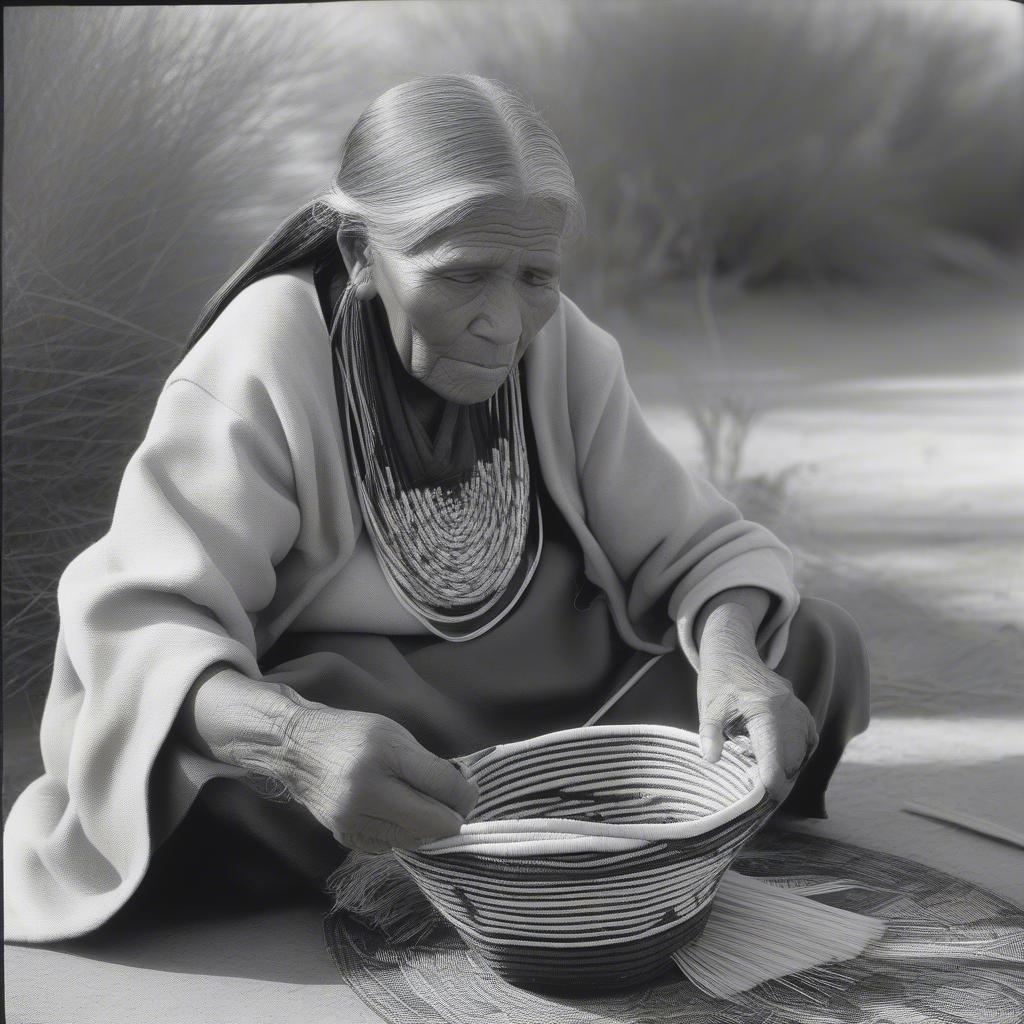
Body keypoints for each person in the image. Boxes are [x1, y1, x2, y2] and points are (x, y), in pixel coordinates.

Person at [3, 73, 869, 944]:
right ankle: (604, 824)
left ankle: (499, 840)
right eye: (463, 277)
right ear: (356, 252)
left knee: (805, 647)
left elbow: (700, 548)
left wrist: (729, 658)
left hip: (565, 691)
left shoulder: (556, 341)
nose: (506, 323)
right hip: (378, 715)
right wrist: (300, 741)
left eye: (536, 276)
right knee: (219, 780)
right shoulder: (268, 352)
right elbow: (140, 622)